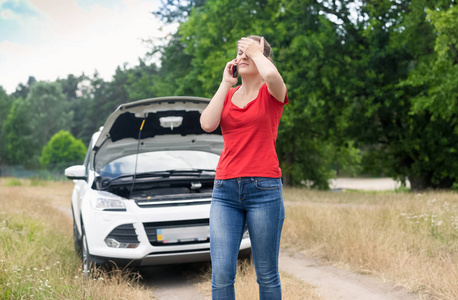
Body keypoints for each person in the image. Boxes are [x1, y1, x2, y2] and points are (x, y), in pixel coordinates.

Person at [200, 35, 288, 300]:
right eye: (241, 52)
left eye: (250, 52)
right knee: (222, 275)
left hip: (264, 189)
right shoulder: (228, 95)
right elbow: (207, 123)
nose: (244, 56)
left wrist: (256, 52)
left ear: (265, 59)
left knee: (266, 274)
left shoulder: (272, 92)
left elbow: (272, 76)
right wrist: (225, 82)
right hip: (225, 190)